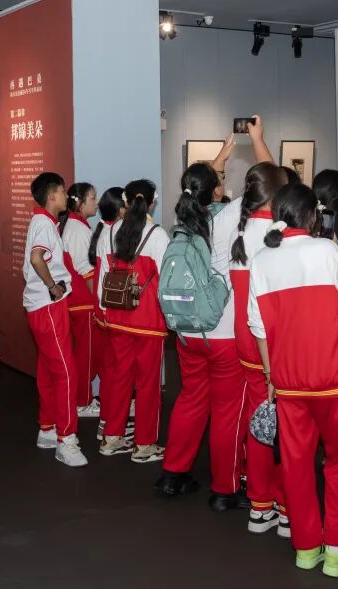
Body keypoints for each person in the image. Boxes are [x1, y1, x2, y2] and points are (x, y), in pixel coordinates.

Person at [247, 183, 338, 577]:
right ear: (313, 215)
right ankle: (337, 550)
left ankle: (306, 548)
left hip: (288, 379)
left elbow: (257, 326)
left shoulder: (262, 259)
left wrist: (271, 376)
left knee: (295, 465)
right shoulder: (326, 251)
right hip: (335, 377)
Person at [156, 163, 246, 508]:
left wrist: (215, 166)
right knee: (226, 411)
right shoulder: (229, 217)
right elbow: (267, 174)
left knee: (191, 399)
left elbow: (199, 183)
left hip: (186, 330)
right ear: (218, 191)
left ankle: (173, 473)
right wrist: (256, 140)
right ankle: (224, 489)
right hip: (222, 332)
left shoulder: (182, 221)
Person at [229, 162, 288, 535]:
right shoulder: (277, 233)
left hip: (245, 341)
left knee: (260, 420)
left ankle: (260, 504)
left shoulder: (239, 229)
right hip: (274, 343)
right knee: (285, 427)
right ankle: (283, 504)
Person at [95, 179, 170, 464]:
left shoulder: (110, 230)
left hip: (117, 317)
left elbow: (103, 276)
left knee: (119, 378)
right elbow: (165, 280)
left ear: (125, 202)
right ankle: (144, 444)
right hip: (148, 319)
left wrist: (105, 311)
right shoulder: (158, 235)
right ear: (152, 203)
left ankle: (112, 438)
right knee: (148, 384)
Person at [23, 172, 88, 468]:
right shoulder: (43, 224)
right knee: (65, 372)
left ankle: (48, 428)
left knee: (49, 370)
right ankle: (66, 439)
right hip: (48, 307)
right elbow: (37, 258)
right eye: (62, 191)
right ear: (51, 196)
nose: (66, 195)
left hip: (43, 307)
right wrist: (53, 286)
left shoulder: (44, 222)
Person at [58, 182, 101, 418]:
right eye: (92, 198)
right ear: (80, 203)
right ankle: (82, 402)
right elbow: (86, 270)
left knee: (86, 352)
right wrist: (99, 301)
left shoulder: (76, 226)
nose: (96, 202)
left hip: (79, 301)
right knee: (86, 354)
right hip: (83, 302)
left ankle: (82, 399)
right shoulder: (77, 229)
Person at [88, 187, 127, 441]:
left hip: (104, 310)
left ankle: (108, 421)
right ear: (120, 209)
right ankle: (111, 424)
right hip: (111, 311)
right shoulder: (114, 234)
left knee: (111, 369)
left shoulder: (105, 232)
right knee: (115, 371)